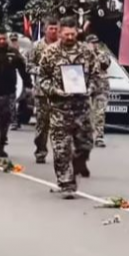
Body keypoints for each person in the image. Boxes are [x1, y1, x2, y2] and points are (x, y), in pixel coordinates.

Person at [38, 17, 96, 199]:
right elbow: (42, 78)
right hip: (59, 108)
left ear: (77, 32)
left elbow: (96, 75)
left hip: (81, 108)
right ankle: (66, 183)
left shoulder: (86, 52)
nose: (70, 37)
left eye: (73, 34)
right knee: (61, 148)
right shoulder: (50, 53)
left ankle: (79, 163)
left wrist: (90, 89)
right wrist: (54, 91)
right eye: (66, 34)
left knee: (85, 144)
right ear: (60, 33)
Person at [0, 29, 31, 158]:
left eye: (3, 39)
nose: (1, 41)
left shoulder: (13, 51)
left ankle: (1, 144)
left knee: (5, 119)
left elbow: (23, 69)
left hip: (9, 91)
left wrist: (28, 85)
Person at [29, 16, 59, 164]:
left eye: (55, 28)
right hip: (42, 93)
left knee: (59, 125)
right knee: (42, 124)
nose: (53, 31)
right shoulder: (37, 47)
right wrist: (42, 70)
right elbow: (28, 66)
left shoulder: (63, 46)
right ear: (45, 29)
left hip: (60, 92)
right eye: (50, 28)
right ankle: (40, 152)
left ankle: (60, 153)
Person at [86, 34, 111, 148]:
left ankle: (99, 137)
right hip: (87, 87)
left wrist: (94, 54)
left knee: (100, 113)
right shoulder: (83, 55)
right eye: (92, 42)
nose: (94, 44)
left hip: (101, 87)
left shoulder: (102, 54)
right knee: (88, 113)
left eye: (96, 42)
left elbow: (106, 64)